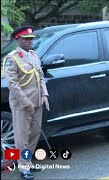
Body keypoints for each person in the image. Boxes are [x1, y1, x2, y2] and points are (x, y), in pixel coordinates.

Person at [3, 26, 50, 180]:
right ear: (18, 40)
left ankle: (27, 162)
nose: (31, 41)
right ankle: (23, 168)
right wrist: (26, 102)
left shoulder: (34, 55)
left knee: (34, 134)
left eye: (31, 39)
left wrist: (44, 94)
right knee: (22, 137)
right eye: (27, 39)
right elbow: (13, 84)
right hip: (22, 105)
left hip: (37, 101)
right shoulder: (12, 58)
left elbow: (40, 76)